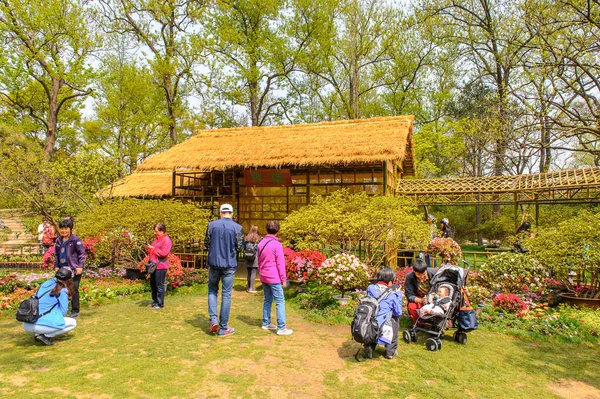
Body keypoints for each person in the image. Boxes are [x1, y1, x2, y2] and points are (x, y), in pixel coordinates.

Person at [205, 204, 244, 336]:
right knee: (226, 295)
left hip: (214, 263)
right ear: (231, 214)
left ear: (221, 213)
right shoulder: (238, 228)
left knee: (212, 290)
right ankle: (223, 327)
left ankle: (213, 318)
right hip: (229, 264)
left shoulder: (211, 225)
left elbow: (206, 243)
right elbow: (240, 247)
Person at [22, 267, 77, 345]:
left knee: (44, 314)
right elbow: (63, 311)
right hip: (40, 324)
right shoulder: (62, 290)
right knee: (73, 323)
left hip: (27, 323)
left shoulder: (45, 283)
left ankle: (38, 334)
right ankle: (46, 336)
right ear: (69, 279)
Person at [257, 220, 293, 336]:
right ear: (277, 231)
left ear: (267, 230)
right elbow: (280, 264)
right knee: (280, 301)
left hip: (264, 275)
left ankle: (266, 322)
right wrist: (283, 279)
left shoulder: (261, 243)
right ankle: (281, 327)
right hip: (274, 276)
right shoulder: (277, 245)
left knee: (267, 299)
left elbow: (259, 260)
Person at [363, 267, 402, 360]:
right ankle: (390, 351)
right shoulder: (392, 294)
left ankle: (369, 346)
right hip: (382, 324)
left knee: (375, 320)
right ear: (390, 282)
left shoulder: (370, 288)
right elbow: (398, 312)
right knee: (394, 320)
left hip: (369, 321)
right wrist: (399, 295)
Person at [54, 219, 86, 318]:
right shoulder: (58, 240)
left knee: (73, 289)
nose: (64, 231)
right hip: (62, 269)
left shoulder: (75, 239)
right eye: (62, 229)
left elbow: (82, 253)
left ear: (70, 229)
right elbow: (56, 254)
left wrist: (80, 266)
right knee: (60, 289)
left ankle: (75, 310)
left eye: (66, 228)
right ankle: (60, 309)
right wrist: (56, 266)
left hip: (74, 268)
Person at [146, 222, 172, 309]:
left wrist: (153, 249)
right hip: (153, 265)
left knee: (159, 285)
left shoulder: (166, 240)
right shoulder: (157, 239)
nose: (155, 233)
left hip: (161, 265)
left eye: (156, 231)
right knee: (153, 283)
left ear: (162, 231)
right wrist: (149, 249)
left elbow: (164, 253)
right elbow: (153, 251)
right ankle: (155, 301)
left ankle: (160, 303)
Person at [404, 259, 438, 324]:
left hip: (434, 297)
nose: (422, 277)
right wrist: (421, 300)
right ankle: (419, 324)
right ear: (414, 271)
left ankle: (435, 324)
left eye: (424, 274)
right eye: (419, 275)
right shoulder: (410, 277)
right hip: (419, 297)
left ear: (426, 270)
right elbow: (409, 295)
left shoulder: (434, 274)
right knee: (412, 306)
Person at [244, 225, 261, 293]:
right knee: (253, 273)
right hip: (255, 257)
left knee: (249, 273)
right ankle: (251, 288)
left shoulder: (246, 238)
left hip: (247, 257)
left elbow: (244, 248)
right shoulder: (258, 239)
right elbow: (258, 249)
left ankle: (248, 287)